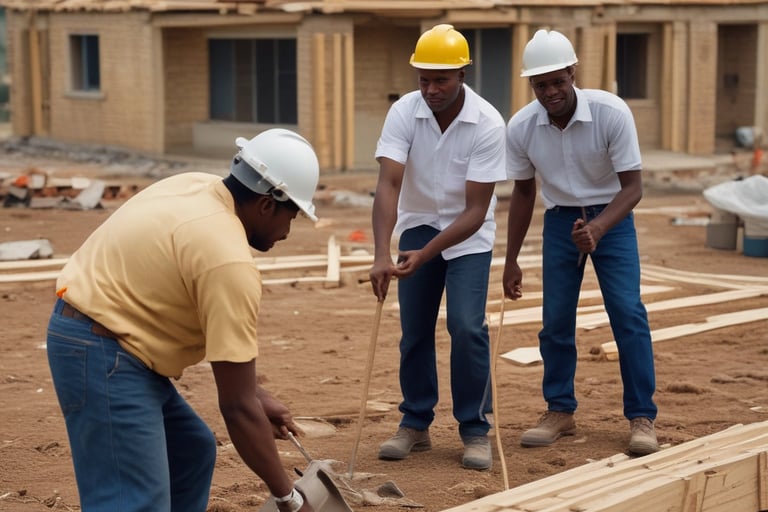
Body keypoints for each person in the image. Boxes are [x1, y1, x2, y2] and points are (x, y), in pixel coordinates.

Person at [46, 128, 320, 512]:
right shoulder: (228, 261)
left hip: (105, 335)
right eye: (292, 215)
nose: (288, 231)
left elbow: (237, 383)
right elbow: (237, 408)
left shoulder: (194, 185)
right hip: (103, 352)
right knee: (134, 500)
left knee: (189, 454)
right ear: (265, 204)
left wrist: (256, 396)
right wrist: (288, 498)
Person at [503, 29, 659, 456]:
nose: (550, 92)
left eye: (558, 81)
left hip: (613, 216)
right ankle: (560, 410)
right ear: (531, 84)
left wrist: (599, 229)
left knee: (627, 313)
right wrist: (511, 259)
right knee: (555, 320)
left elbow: (633, 188)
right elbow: (523, 193)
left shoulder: (611, 113)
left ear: (573, 73)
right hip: (560, 223)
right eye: (540, 85)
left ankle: (641, 416)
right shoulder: (521, 127)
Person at [369, 24, 507, 471]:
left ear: (463, 74)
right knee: (414, 329)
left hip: (469, 236)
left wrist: (426, 254)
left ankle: (475, 429)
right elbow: (389, 184)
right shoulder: (404, 112)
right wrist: (381, 253)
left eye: (440, 80)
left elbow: (475, 210)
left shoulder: (488, 123)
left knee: (466, 327)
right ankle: (415, 423)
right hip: (418, 224)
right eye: (423, 79)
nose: (430, 89)